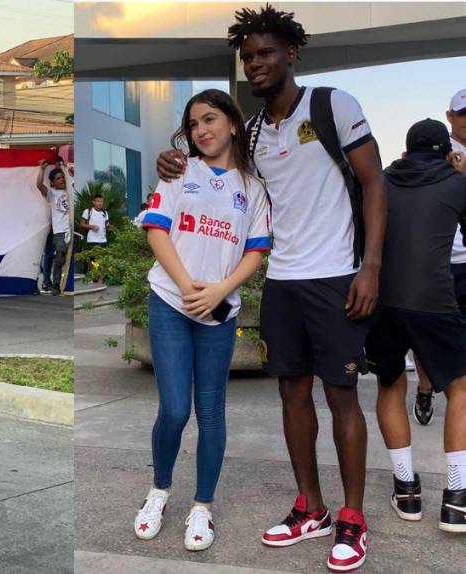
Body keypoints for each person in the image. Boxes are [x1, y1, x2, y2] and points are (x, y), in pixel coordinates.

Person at [156, 6, 386, 571]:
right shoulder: (254, 131)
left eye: (265, 53)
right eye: (248, 56)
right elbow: (220, 167)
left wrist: (371, 267)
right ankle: (311, 507)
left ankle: (352, 518)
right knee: (291, 394)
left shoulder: (332, 105)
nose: (255, 63)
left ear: (291, 54)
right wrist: (173, 158)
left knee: (341, 396)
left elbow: (374, 181)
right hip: (282, 279)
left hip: (336, 275)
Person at [133, 89, 270, 551]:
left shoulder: (253, 188)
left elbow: (256, 249)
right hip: (171, 300)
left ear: (233, 122)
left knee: (211, 412)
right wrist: (191, 288)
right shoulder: (179, 170)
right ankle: (159, 492)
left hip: (220, 309)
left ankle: (202, 507)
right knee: (174, 409)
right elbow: (157, 229)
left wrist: (220, 290)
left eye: (210, 120)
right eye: (193, 124)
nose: (201, 131)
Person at [368, 119, 466, 533]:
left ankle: (406, 491)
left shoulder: (381, 182)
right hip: (435, 301)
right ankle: (457, 499)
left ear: (405, 153)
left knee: (390, 385)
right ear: (447, 152)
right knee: (460, 389)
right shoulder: (457, 181)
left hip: (382, 300)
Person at [415, 89, 466, 425]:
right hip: (435, 261)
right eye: (463, 113)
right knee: (426, 333)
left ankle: (458, 403)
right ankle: (424, 383)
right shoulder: (434, 148)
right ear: (450, 116)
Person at [37, 160, 70, 295]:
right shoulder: (52, 194)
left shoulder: (70, 191)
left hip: (71, 229)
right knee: (59, 257)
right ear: (53, 183)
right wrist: (42, 169)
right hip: (60, 231)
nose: (61, 180)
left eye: (62, 177)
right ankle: (55, 284)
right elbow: (39, 185)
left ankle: (67, 283)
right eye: (58, 178)